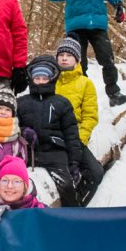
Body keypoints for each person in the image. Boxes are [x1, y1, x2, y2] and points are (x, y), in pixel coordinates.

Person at [16, 55, 83, 207]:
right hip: (29, 153)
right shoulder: (21, 103)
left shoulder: (61, 103)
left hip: (55, 154)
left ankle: (72, 217)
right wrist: (23, 131)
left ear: (51, 78)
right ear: (31, 79)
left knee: (66, 186)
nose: (40, 81)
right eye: (37, 77)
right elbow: (12, 127)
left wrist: (74, 163)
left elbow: (71, 135)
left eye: (44, 78)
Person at [53, 35, 104, 205]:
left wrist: (78, 139)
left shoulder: (85, 83)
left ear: (77, 59)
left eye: (69, 55)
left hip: (75, 138)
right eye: (61, 55)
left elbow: (90, 116)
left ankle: (78, 205)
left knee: (95, 173)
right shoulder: (49, 80)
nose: (65, 58)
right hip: (51, 137)